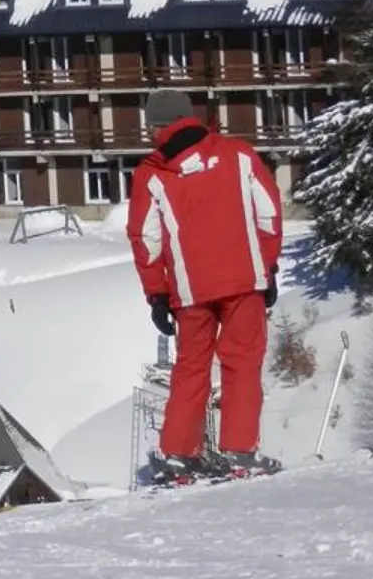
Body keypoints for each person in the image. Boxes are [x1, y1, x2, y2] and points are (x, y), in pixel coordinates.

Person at [127, 89, 284, 484]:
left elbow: (146, 240)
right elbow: (268, 213)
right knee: (242, 364)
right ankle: (240, 451)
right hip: (244, 280)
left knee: (191, 368)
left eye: (150, 126)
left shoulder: (152, 173)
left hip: (188, 289)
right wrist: (267, 267)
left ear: (158, 126)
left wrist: (157, 293)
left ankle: (179, 455)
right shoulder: (239, 154)